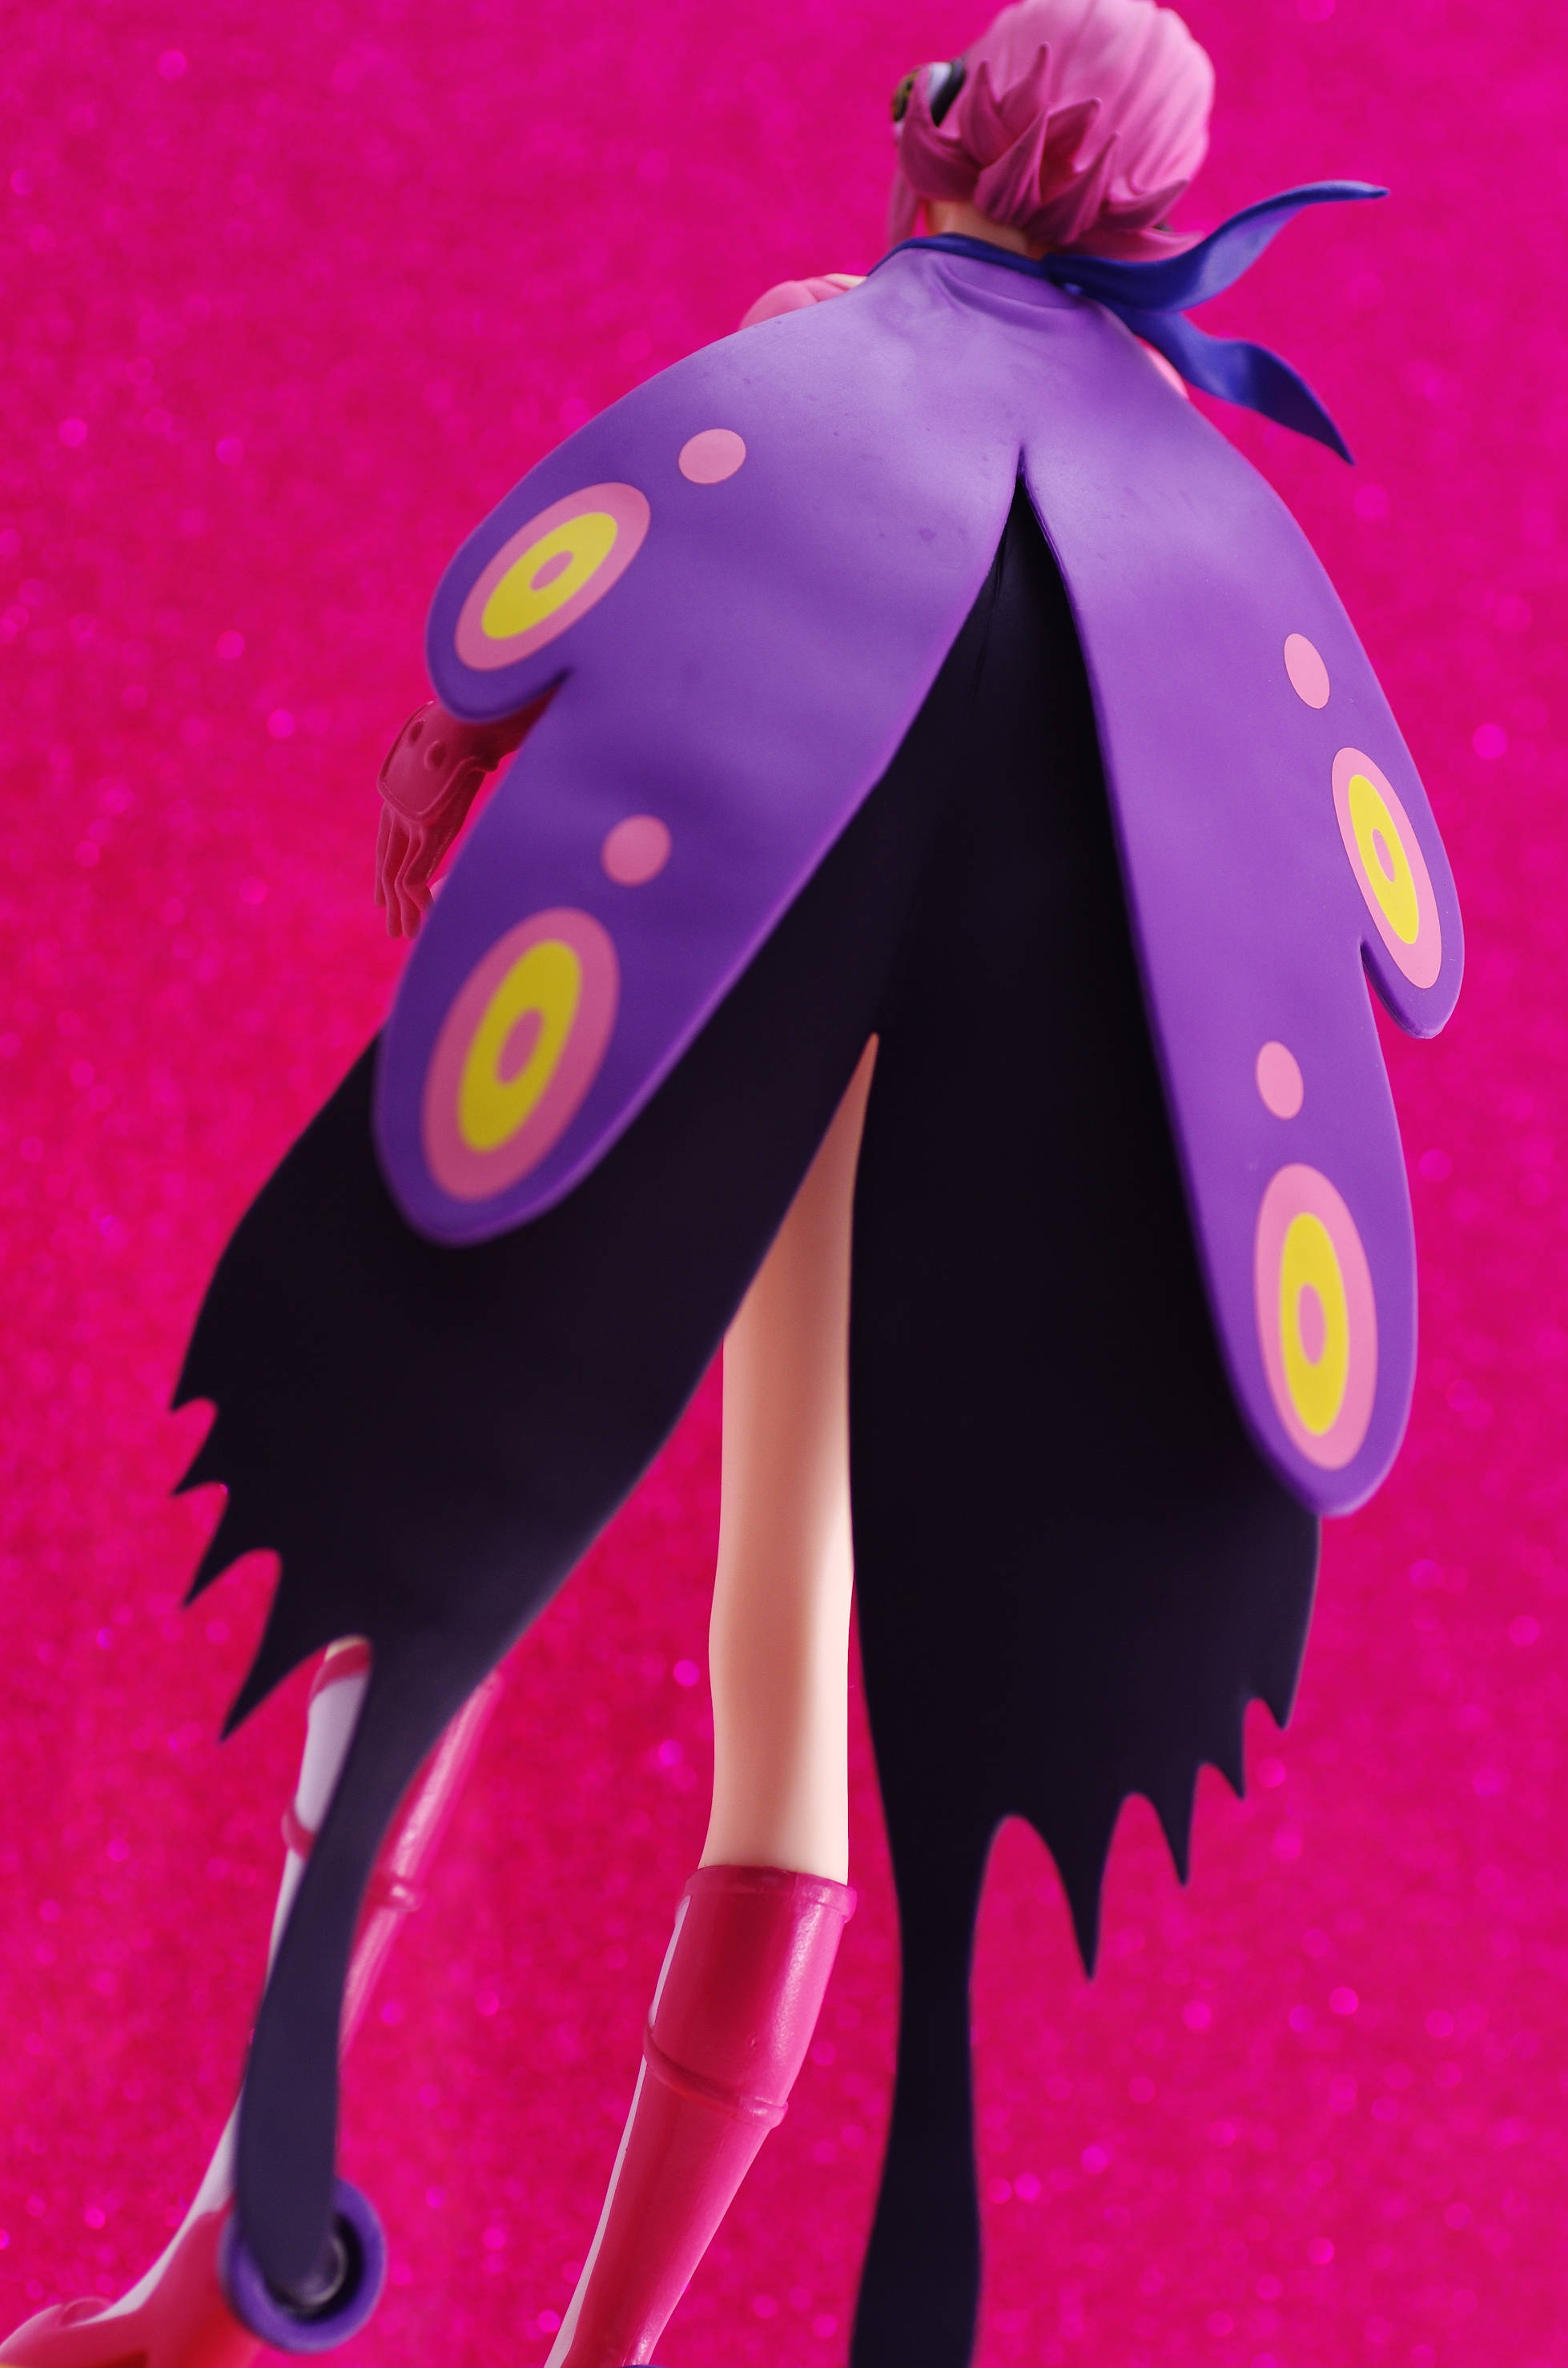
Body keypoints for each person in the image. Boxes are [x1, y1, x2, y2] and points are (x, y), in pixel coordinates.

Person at [1, 2, 1460, 2365]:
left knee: (452, 1565)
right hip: (938, 1124)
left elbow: (617, 574)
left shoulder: (832, 359)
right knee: (778, 1666)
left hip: (714, 1009)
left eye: (937, 102)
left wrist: (455, 740)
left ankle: (219, 2279)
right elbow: (1298, 872)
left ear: (968, 143)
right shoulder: (1183, 502)